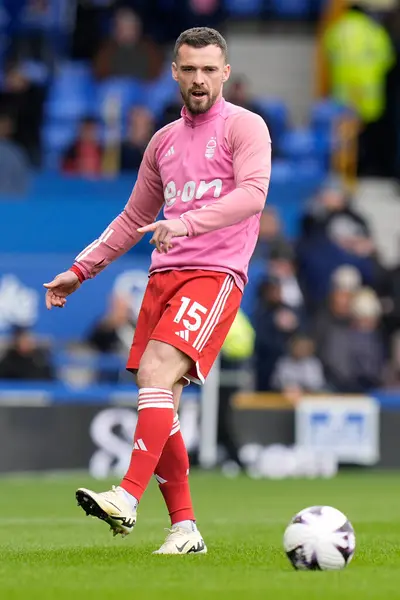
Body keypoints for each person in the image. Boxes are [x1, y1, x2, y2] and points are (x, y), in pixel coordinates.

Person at [43, 27, 271, 555]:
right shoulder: (163, 142)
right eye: (189, 68)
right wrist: (81, 270)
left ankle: (127, 495)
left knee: (155, 372)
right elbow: (134, 218)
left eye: (209, 70)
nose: (199, 79)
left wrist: (188, 224)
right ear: (174, 71)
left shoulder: (245, 127)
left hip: (214, 274)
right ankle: (185, 529)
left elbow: (254, 196)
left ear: (225, 73)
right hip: (162, 278)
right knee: (160, 398)